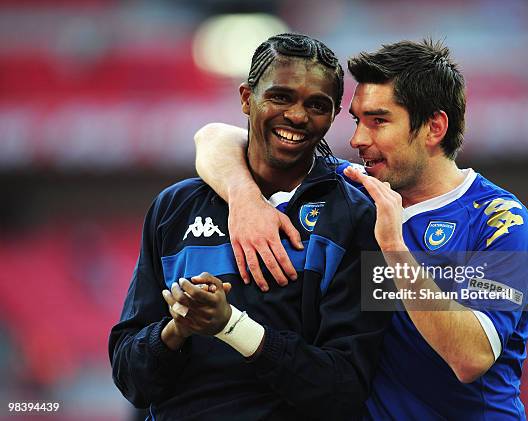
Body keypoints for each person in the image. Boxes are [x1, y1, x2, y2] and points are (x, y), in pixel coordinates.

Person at [193, 38, 528, 420]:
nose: (357, 139)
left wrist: (393, 247)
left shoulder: (498, 220)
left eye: (378, 121)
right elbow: (213, 137)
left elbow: (470, 357)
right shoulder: (353, 188)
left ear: (434, 127)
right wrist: (244, 198)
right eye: (357, 120)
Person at [109, 33, 390, 421]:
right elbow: (130, 380)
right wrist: (176, 330)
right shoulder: (173, 208)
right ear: (246, 98)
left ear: (333, 116)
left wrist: (230, 326)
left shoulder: (358, 217)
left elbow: (345, 389)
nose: (297, 115)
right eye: (280, 97)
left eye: (317, 105)